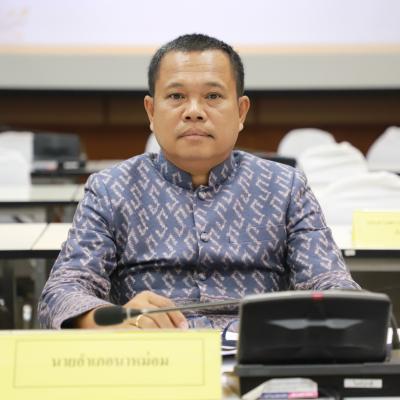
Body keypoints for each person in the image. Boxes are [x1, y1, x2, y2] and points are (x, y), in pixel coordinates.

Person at [38, 33, 360, 330]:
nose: (194, 111)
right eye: (176, 96)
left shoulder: (285, 188)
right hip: (153, 356)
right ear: (151, 111)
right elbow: (62, 294)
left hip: (257, 355)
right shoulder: (111, 190)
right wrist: (119, 319)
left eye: (213, 96)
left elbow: (331, 282)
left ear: (241, 112)